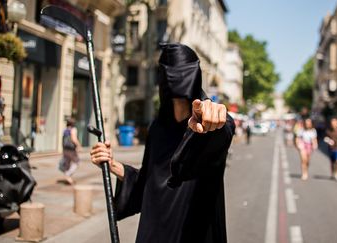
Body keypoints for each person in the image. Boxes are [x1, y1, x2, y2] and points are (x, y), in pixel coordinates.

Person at [90, 44, 235, 243]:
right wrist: (112, 164)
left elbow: (223, 130)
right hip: (154, 233)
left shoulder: (206, 127)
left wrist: (218, 118)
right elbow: (148, 185)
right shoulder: (157, 128)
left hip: (193, 234)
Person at [59, 118, 81, 185]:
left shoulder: (65, 130)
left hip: (65, 149)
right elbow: (73, 139)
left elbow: (63, 140)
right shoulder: (73, 129)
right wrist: (79, 145)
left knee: (67, 163)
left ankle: (68, 177)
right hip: (71, 150)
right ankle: (68, 174)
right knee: (77, 162)